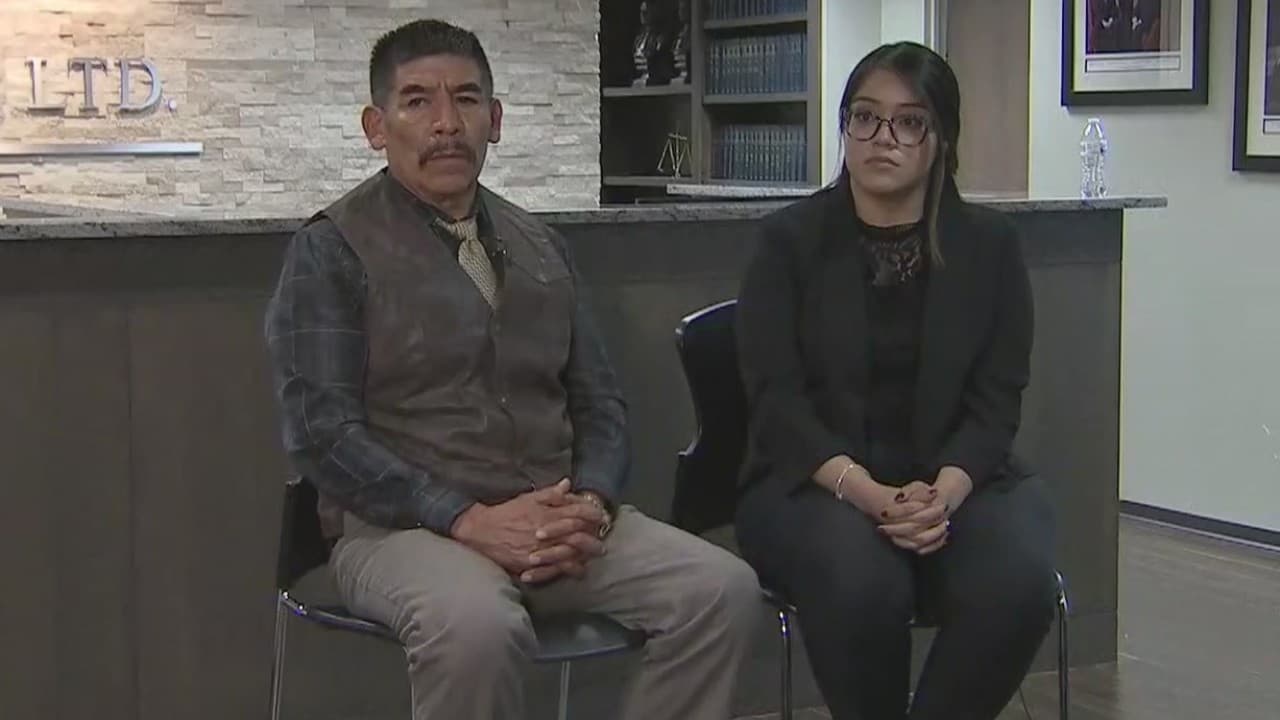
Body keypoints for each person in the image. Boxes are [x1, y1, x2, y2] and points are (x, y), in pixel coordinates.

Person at [263, 19, 759, 720]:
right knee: (476, 628)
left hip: (556, 516)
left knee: (720, 592)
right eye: (417, 101)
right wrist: (464, 518)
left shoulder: (541, 243)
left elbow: (599, 402)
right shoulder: (331, 249)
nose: (446, 123)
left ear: (494, 121)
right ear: (376, 127)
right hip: (405, 531)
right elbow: (321, 432)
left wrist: (591, 502)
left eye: (466, 100)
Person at [733, 42, 1057, 720]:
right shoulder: (787, 242)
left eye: (909, 122)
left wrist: (944, 494)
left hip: (957, 482)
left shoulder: (990, 246)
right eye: (865, 117)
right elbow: (777, 403)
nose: (883, 137)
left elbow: (997, 400)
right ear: (845, 128)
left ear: (942, 140)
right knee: (862, 581)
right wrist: (874, 496)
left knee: (1018, 581)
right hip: (814, 484)